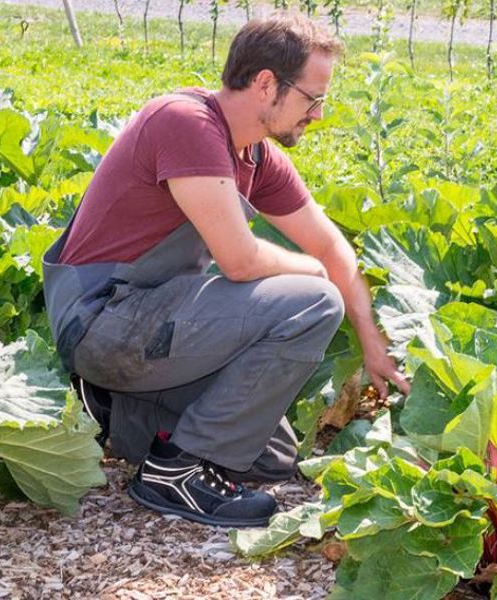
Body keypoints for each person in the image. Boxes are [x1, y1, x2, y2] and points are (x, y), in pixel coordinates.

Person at [42, 13, 409, 528]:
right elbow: (240, 261)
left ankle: (113, 409)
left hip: (149, 321)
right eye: (313, 98)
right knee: (314, 301)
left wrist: (373, 343)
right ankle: (178, 472)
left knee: (268, 455)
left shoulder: (254, 155)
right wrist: (316, 275)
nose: (319, 115)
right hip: (102, 321)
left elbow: (331, 244)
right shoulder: (184, 123)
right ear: (265, 85)